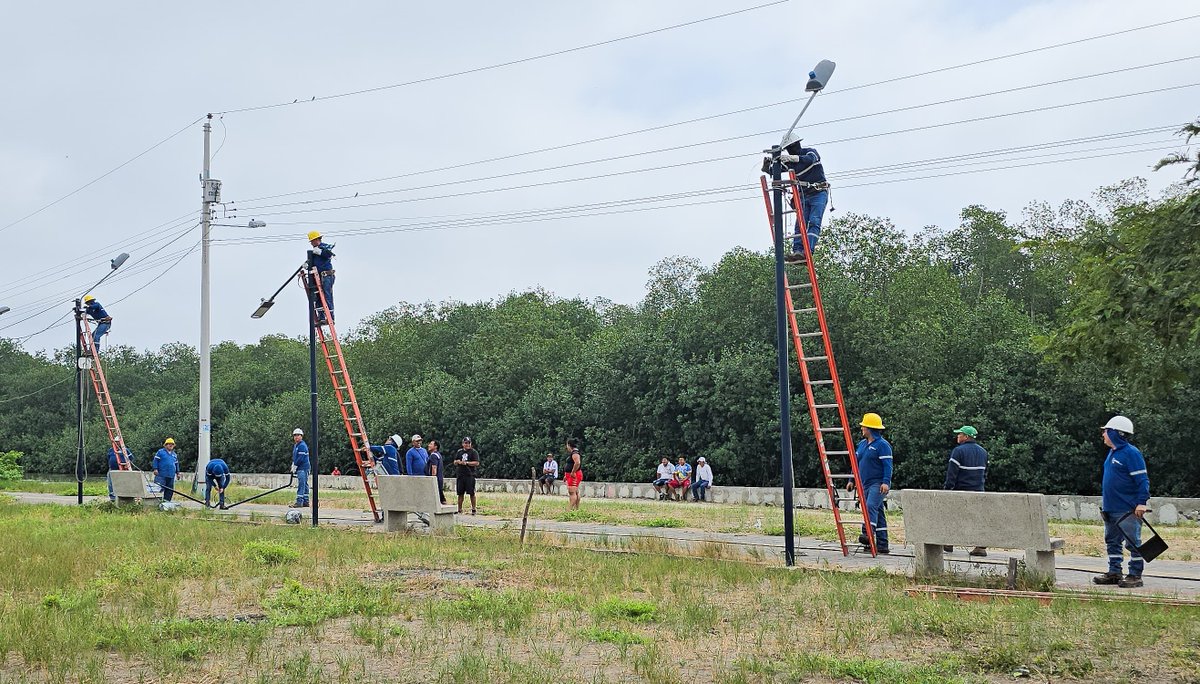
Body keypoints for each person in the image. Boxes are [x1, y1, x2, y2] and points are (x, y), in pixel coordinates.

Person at [1093, 415, 1151, 589]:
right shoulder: (1112, 453)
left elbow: (1142, 480)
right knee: (1112, 541)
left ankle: (1135, 575)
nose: (1103, 434)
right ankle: (1114, 572)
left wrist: (1142, 502)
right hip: (1111, 508)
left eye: (1106, 431)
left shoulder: (1131, 453)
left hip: (1127, 509)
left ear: (1116, 433)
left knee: (1133, 542)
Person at [762, 134, 829, 262]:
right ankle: (797, 251)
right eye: (789, 148)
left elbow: (810, 159)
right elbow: (775, 171)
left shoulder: (810, 152)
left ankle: (807, 251)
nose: (792, 149)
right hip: (804, 196)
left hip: (818, 193)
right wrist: (768, 166)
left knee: (814, 221)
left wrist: (790, 158)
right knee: (800, 223)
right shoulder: (790, 164)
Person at [943, 425, 989, 557]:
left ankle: (948, 542)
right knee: (977, 517)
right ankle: (980, 546)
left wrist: (948, 489)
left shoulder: (958, 451)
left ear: (966, 437)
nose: (958, 436)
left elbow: (952, 474)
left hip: (961, 491)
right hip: (978, 491)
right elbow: (985, 473)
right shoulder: (983, 452)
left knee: (952, 515)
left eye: (960, 434)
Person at [854, 413, 892, 554]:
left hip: (878, 484)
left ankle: (867, 535)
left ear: (870, 428)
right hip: (864, 484)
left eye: (863, 426)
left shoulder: (883, 445)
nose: (862, 428)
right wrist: (852, 480)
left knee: (869, 506)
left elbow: (888, 465)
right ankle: (882, 544)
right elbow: (856, 464)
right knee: (878, 511)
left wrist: (886, 482)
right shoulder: (862, 445)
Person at [306, 231, 336, 323]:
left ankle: (330, 317)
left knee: (327, 296)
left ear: (316, 240)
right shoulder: (313, 252)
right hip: (317, 277)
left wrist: (320, 252)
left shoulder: (324, 247)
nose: (311, 243)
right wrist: (307, 265)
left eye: (312, 241)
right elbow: (312, 262)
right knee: (318, 297)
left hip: (326, 276)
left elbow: (329, 254)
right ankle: (321, 317)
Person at [454, 437, 480, 515]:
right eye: (466, 443)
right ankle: (459, 509)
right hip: (461, 475)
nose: (467, 444)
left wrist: (467, 463)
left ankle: (473, 509)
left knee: (471, 493)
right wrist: (457, 462)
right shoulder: (459, 452)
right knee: (460, 493)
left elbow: (477, 463)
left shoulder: (473, 452)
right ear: (463, 444)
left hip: (470, 475)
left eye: (468, 443)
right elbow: (455, 461)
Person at [151, 438, 179, 502]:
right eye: (169, 444)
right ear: (165, 445)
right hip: (161, 475)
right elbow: (155, 461)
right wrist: (155, 469)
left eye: (172, 444)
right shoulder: (160, 452)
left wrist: (178, 473)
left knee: (169, 490)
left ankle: (167, 502)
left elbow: (177, 464)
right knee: (159, 488)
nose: (171, 445)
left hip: (171, 475)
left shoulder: (174, 455)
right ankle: (156, 502)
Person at [290, 428, 310, 508]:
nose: (296, 437)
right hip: (300, 467)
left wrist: (295, 465)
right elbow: (295, 457)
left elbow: (301, 458)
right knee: (304, 484)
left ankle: (299, 502)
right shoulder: (296, 445)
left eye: (298, 435)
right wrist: (293, 464)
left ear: (301, 436)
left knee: (302, 484)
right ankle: (306, 501)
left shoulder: (302, 446)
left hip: (303, 467)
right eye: (295, 435)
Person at [563, 438, 583, 510]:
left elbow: (577, 463)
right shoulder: (574, 453)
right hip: (571, 475)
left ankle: (569, 509)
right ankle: (576, 509)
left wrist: (573, 472)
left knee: (572, 492)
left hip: (574, 475)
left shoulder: (575, 453)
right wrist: (566, 475)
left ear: (569, 445)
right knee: (575, 492)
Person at [427, 440, 446, 504]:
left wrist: (432, 479)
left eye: (431, 444)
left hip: (436, 479)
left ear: (435, 447)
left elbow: (434, 468)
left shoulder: (433, 456)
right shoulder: (438, 455)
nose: (428, 445)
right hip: (440, 478)